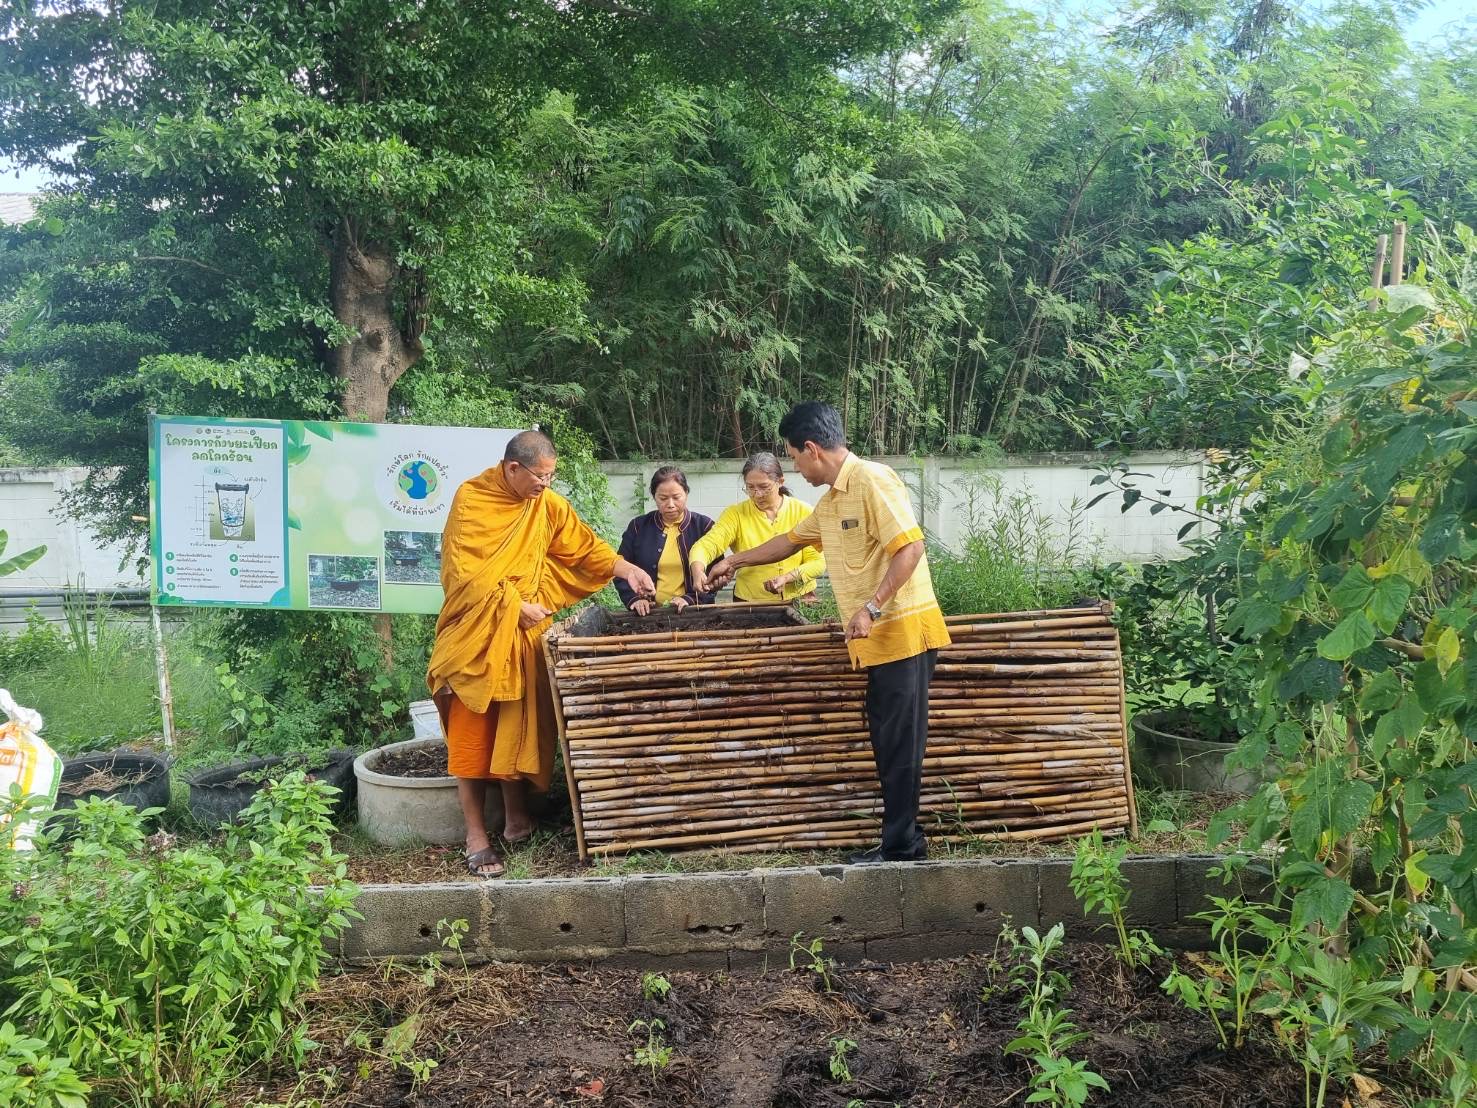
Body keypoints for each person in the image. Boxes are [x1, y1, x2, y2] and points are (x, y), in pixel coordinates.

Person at [705, 403, 950, 863]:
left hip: (901, 629)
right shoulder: (833, 499)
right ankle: (901, 841)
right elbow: (791, 541)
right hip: (877, 639)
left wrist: (871, 607)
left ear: (812, 449)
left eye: (794, 457)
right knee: (887, 736)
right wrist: (734, 561)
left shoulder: (873, 480)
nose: (793, 466)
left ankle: (903, 847)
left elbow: (911, 546)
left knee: (900, 741)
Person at [426, 430, 655, 877]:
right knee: (473, 733)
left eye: (551, 477)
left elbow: (583, 546)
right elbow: (464, 574)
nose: (545, 486)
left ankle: (515, 820)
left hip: (525, 635)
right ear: (513, 468)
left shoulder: (544, 504)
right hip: (477, 634)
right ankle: (476, 835)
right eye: (540, 477)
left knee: (518, 723)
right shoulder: (472, 501)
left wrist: (627, 568)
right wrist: (514, 606)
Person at [687, 452, 826, 604]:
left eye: (764, 487)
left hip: (801, 598)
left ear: (780, 481)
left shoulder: (803, 511)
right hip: (749, 602)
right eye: (750, 488)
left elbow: (817, 563)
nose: (757, 494)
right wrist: (698, 570)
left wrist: (787, 578)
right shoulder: (735, 514)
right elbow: (706, 545)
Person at [615, 466, 716, 615]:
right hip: (649, 614)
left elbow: (716, 574)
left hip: (694, 612)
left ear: (686, 493)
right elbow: (620, 567)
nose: (670, 504)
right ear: (654, 496)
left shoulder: (703, 526)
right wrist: (635, 598)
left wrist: (691, 598)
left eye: (676, 497)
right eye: (663, 498)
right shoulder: (638, 526)